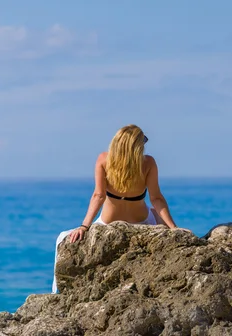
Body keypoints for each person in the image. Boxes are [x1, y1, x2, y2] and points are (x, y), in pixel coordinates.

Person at [52, 124, 181, 293]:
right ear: (136, 146)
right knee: (157, 214)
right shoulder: (148, 163)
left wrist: (84, 226)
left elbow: (98, 196)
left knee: (62, 238)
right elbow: (156, 198)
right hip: (142, 223)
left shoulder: (104, 160)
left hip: (107, 224)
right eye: (143, 141)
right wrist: (173, 229)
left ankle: (56, 292)